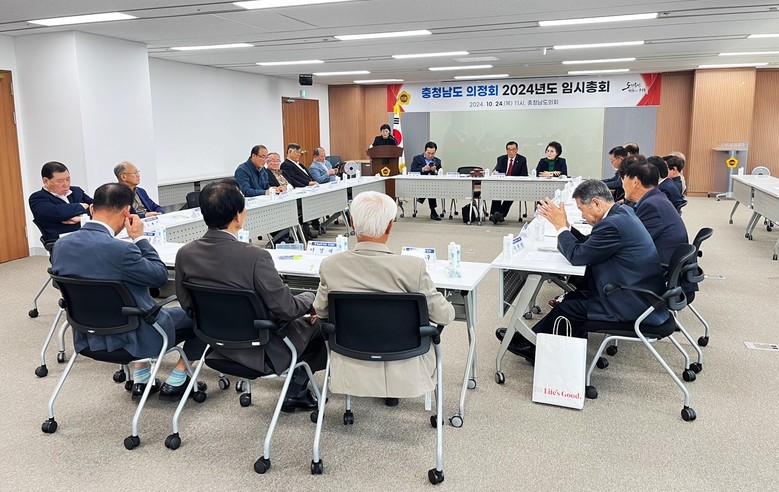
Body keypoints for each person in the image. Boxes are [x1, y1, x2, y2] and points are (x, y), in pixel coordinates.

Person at [175, 181, 327, 412]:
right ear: (238, 216)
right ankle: (296, 389)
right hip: (261, 349)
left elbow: (187, 304)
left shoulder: (185, 254)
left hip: (216, 345)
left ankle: (296, 388)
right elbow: (286, 309)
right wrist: (311, 299)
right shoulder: (255, 257)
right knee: (320, 323)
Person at [51, 183, 205, 401]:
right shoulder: (122, 250)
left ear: (92, 209)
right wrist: (140, 239)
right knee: (203, 315)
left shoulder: (61, 246)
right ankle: (178, 379)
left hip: (88, 336)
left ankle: (142, 377)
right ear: (126, 211)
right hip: (134, 335)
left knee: (131, 304)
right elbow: (160, 277)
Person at [497, 180, 668, 362]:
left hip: (633, 302)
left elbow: (577, 256)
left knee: (570, 307)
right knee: (573, 297)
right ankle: (542, 343)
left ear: (596, 203)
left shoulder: (613, 225)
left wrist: (561, 228)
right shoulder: (621, 213)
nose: (582, 215)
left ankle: (532, 346)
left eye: (581, 209)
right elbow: (589, 244)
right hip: (635, 288)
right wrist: (567, 227)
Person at [313, 191, 455, 406]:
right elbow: (444, 316)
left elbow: (321, 310)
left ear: (352, 223)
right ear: (390, 226)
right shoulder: (412, 267)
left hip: (351, 361)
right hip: (405, 363)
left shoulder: (331, 265)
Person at [621, 159, 688, 266]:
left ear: (635, 182)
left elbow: (632, 242)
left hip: (657, 266)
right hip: (662, 258)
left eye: (624, 178)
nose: (622, 184)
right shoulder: (656, 198)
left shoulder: (651, 206)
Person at [29, 161, 93, 242]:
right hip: (62, 241)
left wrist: (81, 218)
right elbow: (57, 212)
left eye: (68, 179)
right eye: (60, 181)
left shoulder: (76, 191)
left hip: (87, 236)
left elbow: (98, 209)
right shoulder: (37, 198)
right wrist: (81, 206)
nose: (66, 184)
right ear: (46, 181)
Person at [489, 141, 528, 224]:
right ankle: (496, 215)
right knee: (496, 191)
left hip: (515, 186)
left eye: (514, 149)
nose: (511, 151)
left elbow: (524, 174)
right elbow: (496, 171)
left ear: (517, 150)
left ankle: (497, 215)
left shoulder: (522, 160)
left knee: (511, 193)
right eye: (509, 149)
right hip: (502, 185)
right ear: (506, 150)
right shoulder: (501, 159)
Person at [410, 141, 443, 221]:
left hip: (434, 185)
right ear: (425, 151)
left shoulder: (437, 161)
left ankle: (422, 197)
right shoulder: (417, 158)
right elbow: (412, 170)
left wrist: (435, 171)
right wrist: (423, 169)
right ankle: (433, 211)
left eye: (432, 153)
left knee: (430, 187)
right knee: (430, 188)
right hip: (419, 183)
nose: (430, 155)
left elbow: (441, 172)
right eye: (428, 153)